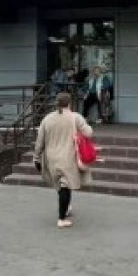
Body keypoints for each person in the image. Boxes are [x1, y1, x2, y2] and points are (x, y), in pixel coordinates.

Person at [33, 92, 94, 228]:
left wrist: (36, 157)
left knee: (62, 186)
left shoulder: (47, 118)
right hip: (68, 157)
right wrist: (85, 127)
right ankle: (61, 218)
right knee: (65, 185)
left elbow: (40, 141)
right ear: (69, 103)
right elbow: (89, 133)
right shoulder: (75, 117)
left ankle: (66, 208)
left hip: (51, 157)